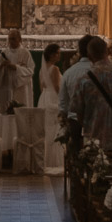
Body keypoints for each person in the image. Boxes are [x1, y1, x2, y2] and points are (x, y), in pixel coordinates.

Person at [67, 37, 112, 151]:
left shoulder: (84, 80)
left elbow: (78, 113)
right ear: (108, 52)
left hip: (95, 142)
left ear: (89, 57)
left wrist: (91, 126)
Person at [0, 30, 35, 110]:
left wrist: (16, 68)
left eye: (13, 39)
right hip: (6, 86)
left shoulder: (25, 53)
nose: (11, 41)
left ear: (20, 39)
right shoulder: (4, 53)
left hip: (21, 88)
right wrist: (1, 66)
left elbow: (30, 71)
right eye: (10, 39)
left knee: (20, 111)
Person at [38, 43, 64, 174]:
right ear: (52, 54)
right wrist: (62, 100)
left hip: (44, 98)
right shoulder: (55, 69)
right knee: (54, 129)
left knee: (46, 130)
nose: (59, 55)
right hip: (53, 98)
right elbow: (57, 87)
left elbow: (41, 87)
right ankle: (55, 161)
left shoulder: (42, 69)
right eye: (58, 53)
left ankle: (45, 159)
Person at [58, 33, 95, 127]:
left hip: (74, 122)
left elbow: (63, 103)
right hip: (96, 121)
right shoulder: (101, 72)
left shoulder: (68, 73)